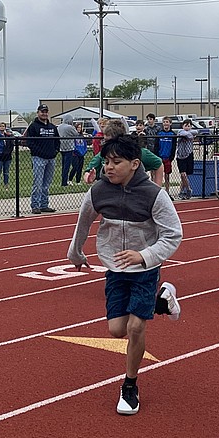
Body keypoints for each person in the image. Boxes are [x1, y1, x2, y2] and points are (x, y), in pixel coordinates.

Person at [67, 136, 182, 415]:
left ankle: (130, 385)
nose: (109, 167)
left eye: (116, 162)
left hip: (145, 269)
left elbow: (173, 234)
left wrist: (144, 255)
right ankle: (163, 300)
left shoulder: (155, 195)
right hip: (115, 269)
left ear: (134, 164)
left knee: (135, 328)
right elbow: (84, 221)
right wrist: (76, 252)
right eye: (106, 162)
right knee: (116, 330)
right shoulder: (97, 191)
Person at [84, 120, 164, 186]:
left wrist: (157, 187)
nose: (107, 144)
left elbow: (158, 164)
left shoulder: (137, 152)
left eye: (117, 162)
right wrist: (88, 178)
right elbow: (89, 170)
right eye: (107, 162)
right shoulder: (104, 154)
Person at [24, 104, 59, 214]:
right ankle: (35, 205)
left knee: (46, 183)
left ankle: (44, 204)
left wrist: (55, 151)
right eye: (42, 111)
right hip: (38, 158)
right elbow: (29, 142)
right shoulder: (33, 126)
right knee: (38, 183)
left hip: (51, 158)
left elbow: (57, 141)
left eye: (46, 111)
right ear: (38, 113)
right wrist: (39, 152)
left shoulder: (53, 127)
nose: (44, 114)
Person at [176, 119, 199, 199]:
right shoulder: (180, 132)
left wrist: (190, 134)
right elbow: (186, 135)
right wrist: (190, 136)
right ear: (183, 126)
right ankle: (189, 189)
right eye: (186, 125)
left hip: (189, 154)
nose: (187, 127)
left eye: (189, 126)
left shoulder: (191, 131)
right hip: (180, 156)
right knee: (183, 174)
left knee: (185, 175)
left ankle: (181, 191)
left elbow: (196, 132)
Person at [57, 114, 80, 187]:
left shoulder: (59, 127)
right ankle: (64, 183)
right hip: (69, 148)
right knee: (67, 166)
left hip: (61, 147)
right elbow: (76, 134)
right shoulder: (70, 127)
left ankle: (63, 180)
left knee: (64, 165)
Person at [157, 117, 177, 198]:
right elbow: (156, 145)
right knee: (158, 175)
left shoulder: (172, 134)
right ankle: (158, 192)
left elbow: (174, 147)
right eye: (164, 122)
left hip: (168, 157)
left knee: (167, 175)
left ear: (170, 123)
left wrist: (171, 157)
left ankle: (167, 192)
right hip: (160, 157)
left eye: (167, 122)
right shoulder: (159, 134)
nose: (165, 123)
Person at [0, 122, 15, 186]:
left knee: (6, 171)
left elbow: (11, 145)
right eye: (0, 126)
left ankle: (6, 183)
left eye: (3, 126)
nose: (2, 127)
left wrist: (9, 152)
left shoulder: (8, 136)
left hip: (7, 156)